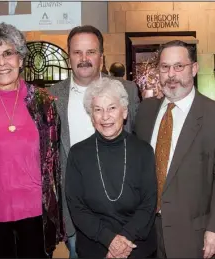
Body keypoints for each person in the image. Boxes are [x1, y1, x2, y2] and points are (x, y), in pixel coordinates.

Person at [134, 40, 215, 258]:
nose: (171, 74)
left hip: (193, 236)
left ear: (194, 69)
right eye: (165, 67)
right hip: (146, 234)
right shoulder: (145, 112)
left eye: (179, 66)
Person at [48, 25, 140, 258]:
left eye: (91, 52)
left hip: (122, 210)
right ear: (69, 57)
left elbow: (138, 145)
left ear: (102, 56)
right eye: (77, 52)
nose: (84, 58)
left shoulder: (127, 91)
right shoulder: (51, 97)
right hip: (75, 213)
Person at [0, 23, 64, 258]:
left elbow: (54, 162)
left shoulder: (43, 102)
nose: (1, 62)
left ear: (21, 59)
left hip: (35, 213)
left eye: (8, 53)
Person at [65, 77, 157, 258]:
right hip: (95, 247)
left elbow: (148, 203)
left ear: (124, 112)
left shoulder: (144, 151)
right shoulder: (77, 154)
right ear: (91, 116)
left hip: (137, 246)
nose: (105, 116)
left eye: (112, 108)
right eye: (98, 110)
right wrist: (110, 240)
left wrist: (123, 241)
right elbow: (76, 207)